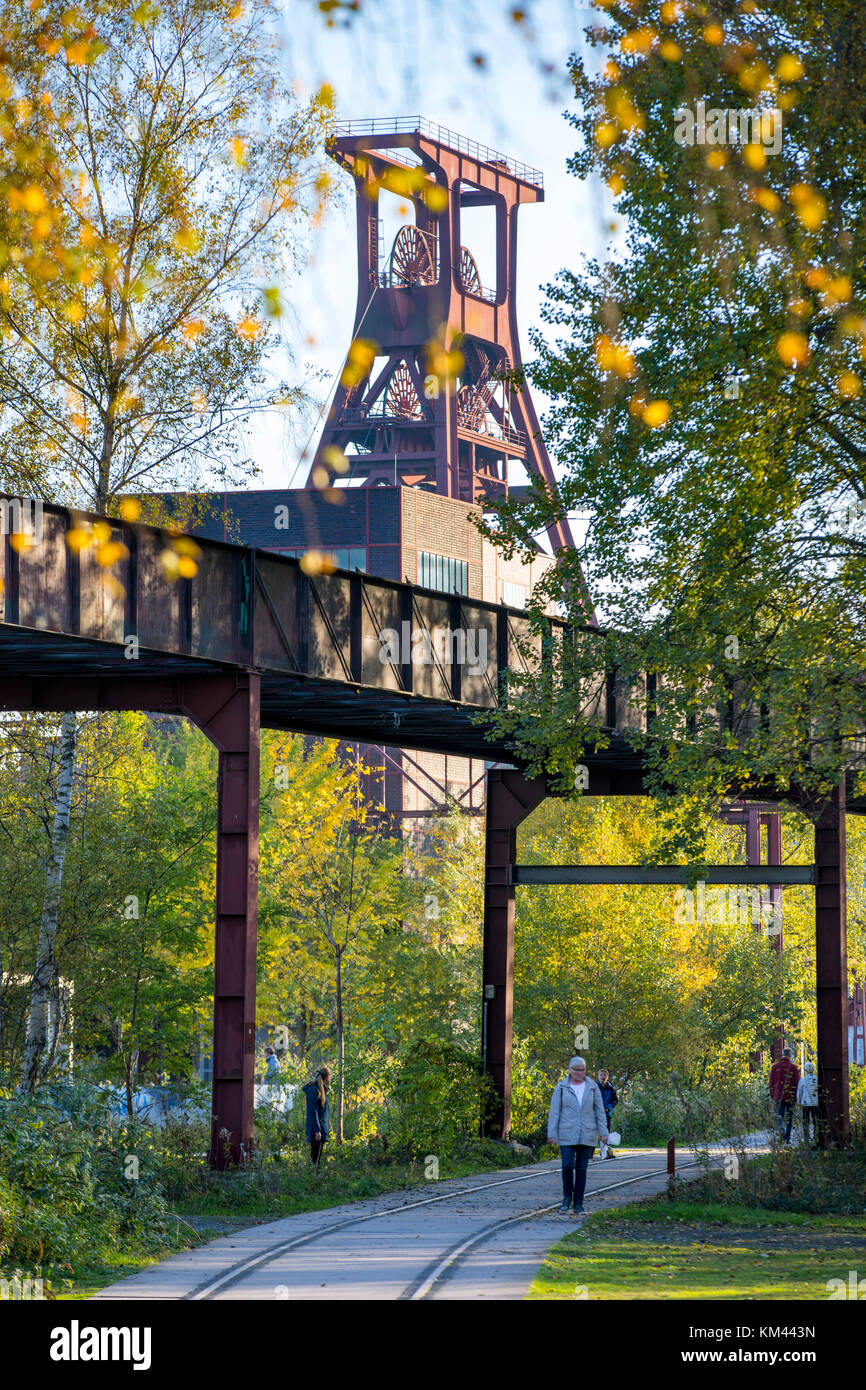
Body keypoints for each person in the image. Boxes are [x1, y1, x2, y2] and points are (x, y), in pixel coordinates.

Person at [547, 1056, 610, 1215]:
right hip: (566, 1133)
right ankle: (566, 1199)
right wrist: (552, 1133)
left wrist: (604, 1132)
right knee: (567, 1166)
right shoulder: (561, 1087)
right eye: (576, 1070)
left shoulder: (592, 1087)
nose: (579, 1073)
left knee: (582, 1169)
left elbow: (599, 1111)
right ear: (570, 1070)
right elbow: (554, 1112)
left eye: (582, 1070)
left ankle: (579, 1203)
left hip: (587, 1133)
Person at [768, 1047, 800, 1144]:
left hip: (779, 1096)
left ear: (783, 1055)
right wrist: (796, 1096)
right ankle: (787, 1138)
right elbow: (797, 1083)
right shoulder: (794, 1067)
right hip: (790, 1097)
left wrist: (773, 1095)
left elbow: (771, 1083)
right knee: (789, 1117)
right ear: (790, 1056)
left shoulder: (775, 1067)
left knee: (779, 1116)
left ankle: (781, 1131)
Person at [303, 1065, 332, 1166]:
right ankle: (313, 1177)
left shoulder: (322, 1089)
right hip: (316, 1129)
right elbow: (313, 1111)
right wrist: (317, 1130)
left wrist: (328, 1126)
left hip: (322, 1127)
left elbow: (324, 1111)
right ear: (327, 1077)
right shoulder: (313, 1090)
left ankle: (316, 1176)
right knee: (315, 1156)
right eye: (330, 1077)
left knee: (318, 1156)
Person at [596, 1068, 618, 1159]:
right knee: (592, 1132)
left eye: (604, 1075)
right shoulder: (594, 1087)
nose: (603, 1077)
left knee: (605, 1133)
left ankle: (604, 1152)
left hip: (606, 1113)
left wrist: (608, 1108)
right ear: (598, 1076)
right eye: (601, 1075)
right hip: (595, 1113)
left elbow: (615, 1100)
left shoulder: (611, 1088)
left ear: (607, 1077)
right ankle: (589, 1152)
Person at [797, 1060, 818, 1145]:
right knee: (815, 1120)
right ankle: (816, 1136)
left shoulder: (802, 1080)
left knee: (806, 1121)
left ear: (805, 1070)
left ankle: (806, 1138)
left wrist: (799, 1102)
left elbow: (799, 1093)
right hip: (815, 1103)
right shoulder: (816, 1079)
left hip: (805, 1103)